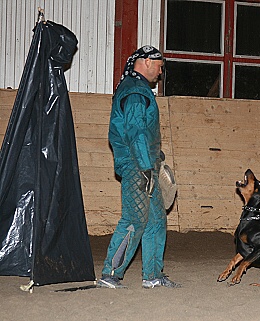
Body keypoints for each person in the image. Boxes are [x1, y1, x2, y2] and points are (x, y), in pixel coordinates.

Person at [97, 45, 180, 289]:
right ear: (145, 62)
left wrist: (157, 158)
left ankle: (152, 275)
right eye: (159, 65)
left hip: (145, 163)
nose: (161, 71)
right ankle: (110, 274)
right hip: (138, 166)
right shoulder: (135, 91)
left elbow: (142, 132)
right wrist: (145, 166)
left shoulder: (138, 89)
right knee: (135, 219)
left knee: (155, 220)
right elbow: (135, 132)